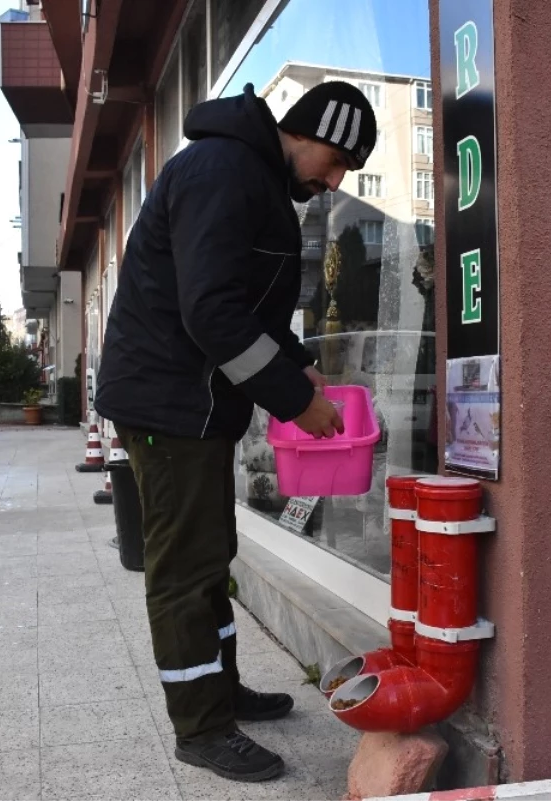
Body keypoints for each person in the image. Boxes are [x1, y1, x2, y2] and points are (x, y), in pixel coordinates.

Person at [95, 80, 377, 783]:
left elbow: (245, 306)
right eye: (336, 160)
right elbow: (213, 313)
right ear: (304, 132)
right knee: (185, 570)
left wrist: (297, 365)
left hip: (192, 403)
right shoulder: (222, 171)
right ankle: (202, 727)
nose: (335, 180)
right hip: (169, 405)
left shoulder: (248, 174)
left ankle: (219, 691)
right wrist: (291, 398)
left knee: (209, 552)